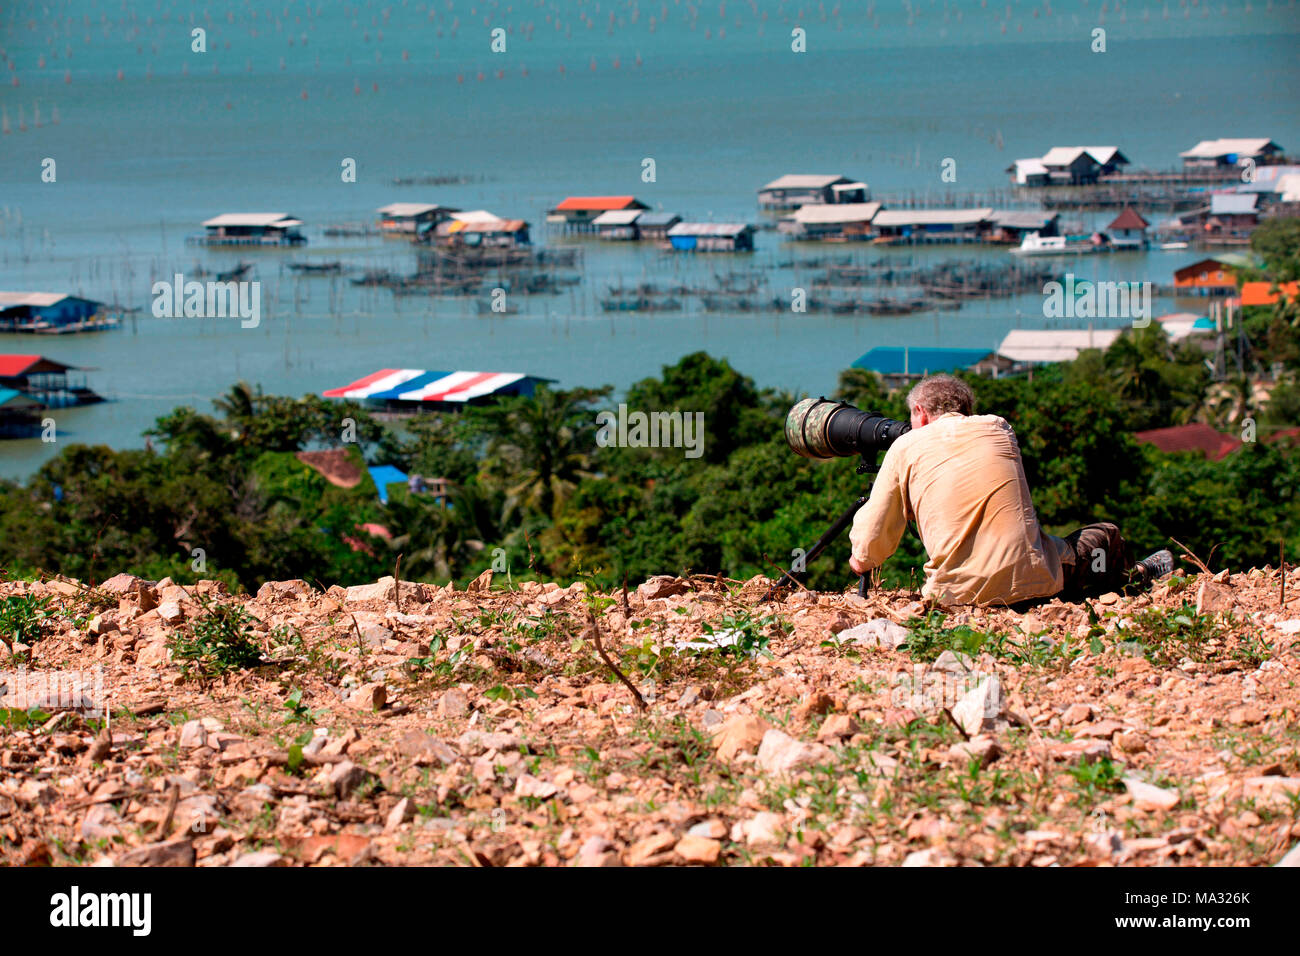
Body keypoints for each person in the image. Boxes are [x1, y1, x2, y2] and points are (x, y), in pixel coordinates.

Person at [847, 374, 1171, 606]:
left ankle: (1121, 582)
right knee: (1106, 534)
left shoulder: (905, 446)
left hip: (953, 596)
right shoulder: (999, 427)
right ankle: (1135, 577)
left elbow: (872, 540)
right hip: (1038, 582)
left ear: (920, 411)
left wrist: (861, 560)